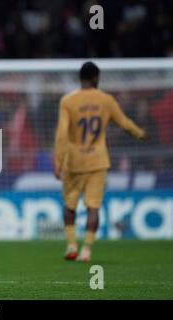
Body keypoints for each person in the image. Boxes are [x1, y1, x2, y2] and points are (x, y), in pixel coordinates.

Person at [53, 61, 148, 262]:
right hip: (97, 162)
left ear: (81, 78)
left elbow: (62, 133)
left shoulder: (68, 101)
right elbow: (123, 123)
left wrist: (58, 160)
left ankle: (71, 246)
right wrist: (139, 133)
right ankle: (86, 250)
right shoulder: (106, 100)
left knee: (69, 205)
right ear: (96, 78)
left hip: (74, 161)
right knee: (93, 207)